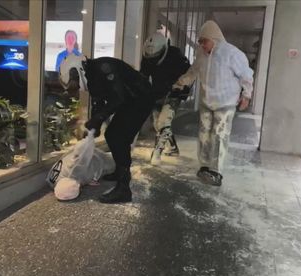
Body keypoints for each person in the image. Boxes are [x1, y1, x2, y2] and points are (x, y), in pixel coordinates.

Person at [59, 54, 153, 204]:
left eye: (74, 82)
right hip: (130, 100)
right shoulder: (91, 76)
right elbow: (99, 102)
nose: (76, 86)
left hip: (142, 99)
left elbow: (118, 97)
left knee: (119, 137)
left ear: (77, 71)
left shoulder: (103, 68)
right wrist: (95, 124)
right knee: (112, 135)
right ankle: (119, 172)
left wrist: (98, 119)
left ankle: (124, 189)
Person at [172, 20, 253, 186]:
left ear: (214, 38)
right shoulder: (202, 55)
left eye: (204, 41)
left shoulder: (232, 54)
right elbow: (193, 71)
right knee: (203, 135)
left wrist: (246, 95)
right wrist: (180, 83)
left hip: (226, 102)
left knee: (219, 136)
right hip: (206, 102)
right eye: (199, 41)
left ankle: (216, 171)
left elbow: (246, 75)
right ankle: (204, 166)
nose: (201, 45)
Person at [140, 32, 191, 165]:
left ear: (163, 49)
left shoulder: (176, 56)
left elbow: (189, 75)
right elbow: (143, 76)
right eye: (150, 56)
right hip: (157, 91)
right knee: (158, 123)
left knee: (163, 122)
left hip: (175, 91)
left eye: (156, 56)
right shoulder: (148, 57)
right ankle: (173, 148)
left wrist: (182, 91)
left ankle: (156, 154)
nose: (153, 59)